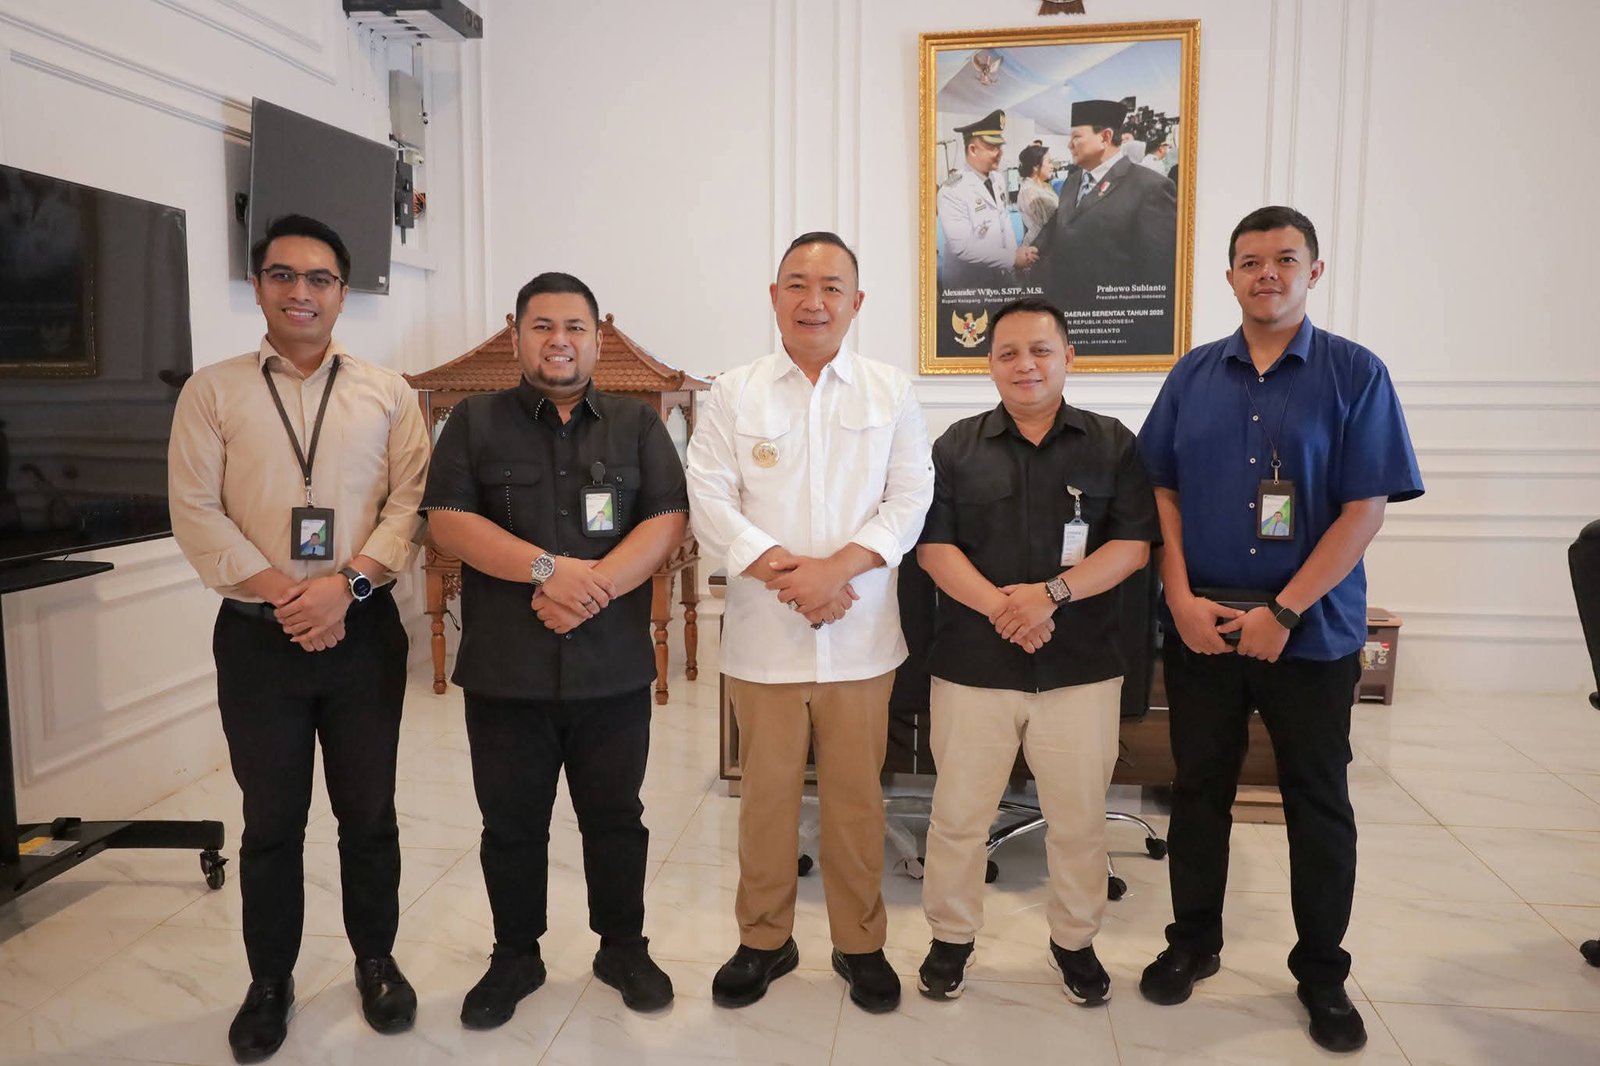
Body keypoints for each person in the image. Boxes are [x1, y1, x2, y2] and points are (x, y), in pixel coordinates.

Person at [1135, 206, 1424, 1053]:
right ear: (1229, 276)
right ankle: (1193, 943)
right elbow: (1161, 491)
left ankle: (1322, 972)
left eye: (1285, 259)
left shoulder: (1356, 374)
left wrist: (1285, 611)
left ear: (1314, 271)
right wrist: (1178, 596)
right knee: (1198, 791)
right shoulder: (1193, 375)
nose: (1268, 273)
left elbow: (1365, 510)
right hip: (1204, 626)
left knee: (1317, 801)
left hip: (1311, 630)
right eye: (1251, 261)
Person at [168, 214, 430, 1062]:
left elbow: (410, 505)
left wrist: (342, 590)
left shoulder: (388, 393)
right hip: (258, 639)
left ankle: (376, 962)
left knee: (369, 814)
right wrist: (292, 596)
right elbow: (194, 510)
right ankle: (270, 983)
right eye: (282, 275)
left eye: (319, 278)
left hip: (364, 633)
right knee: (271, 822)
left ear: (342, 293)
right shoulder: (212, 393)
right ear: (258, 288)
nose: (301, 292)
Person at [421, 272, 688, 1026]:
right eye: (542, 326)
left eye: (575, 327)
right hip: (507, 671)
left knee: (616, 818)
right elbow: (447, 519)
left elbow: (667, 518)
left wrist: (592, 588)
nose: (559, 341)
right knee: (510, 825)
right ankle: (515, 956)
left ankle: (623, 948)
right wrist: (549, 570)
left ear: (598, 338)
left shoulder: (637, 425)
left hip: (612, 670)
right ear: (516, 336)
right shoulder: (472, 421)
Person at [686, 231, 934, 1014]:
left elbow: (910, 498)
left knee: (858, 802)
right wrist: (795, 579)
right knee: (766, 801)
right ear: (774, 297)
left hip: (861, 640)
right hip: (765, 638)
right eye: (797, 284)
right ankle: (764, 941)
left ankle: (860, 945)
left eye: (831, 287)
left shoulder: (890, 390)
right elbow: (709, 498)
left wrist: (837, 572)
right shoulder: (735, 393)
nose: (813, 300)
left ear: (856, 303)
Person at [915, 297, 1160, 1006]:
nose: (1026, 364)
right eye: (1009, 353)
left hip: (1080, 667)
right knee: (958, 818)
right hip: (974, 667)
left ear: (1068, 357)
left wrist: (1049, 596)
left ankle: (1074, 943)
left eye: (1041, 350)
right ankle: (950, 939)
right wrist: (1007, 608)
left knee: (1079, 822)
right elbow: (933, 550)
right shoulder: (955, 447)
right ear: (990, 365)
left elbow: (1132, 546)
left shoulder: (1112, 444)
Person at [1032, 99, 1178, 353]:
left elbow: (1158, 269)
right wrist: (1032, 250)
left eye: (1077, 137)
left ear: (1105, 137)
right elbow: (1058, 223)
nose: (1069, 144)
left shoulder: (1149, 187)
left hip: (1115, 329)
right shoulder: (1072, 181)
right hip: (1068, 320)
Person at [937, 110, 1038, 290]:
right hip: (969, 287)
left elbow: (1004, 222)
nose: (1000, 153)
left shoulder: (997, 179)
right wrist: (1012, 259)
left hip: (998, 279)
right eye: (993, 147)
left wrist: (1015, 258)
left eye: (1000, 146)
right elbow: (962, 247)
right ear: (973, 150)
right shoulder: (952, 191)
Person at [1016, 144, 1059, 246]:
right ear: (1036, 166)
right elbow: (1042, 228)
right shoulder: (1029, 192)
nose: (1052, 166)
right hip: (1039, 247)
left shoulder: (1042, 185)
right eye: (1049, 162)